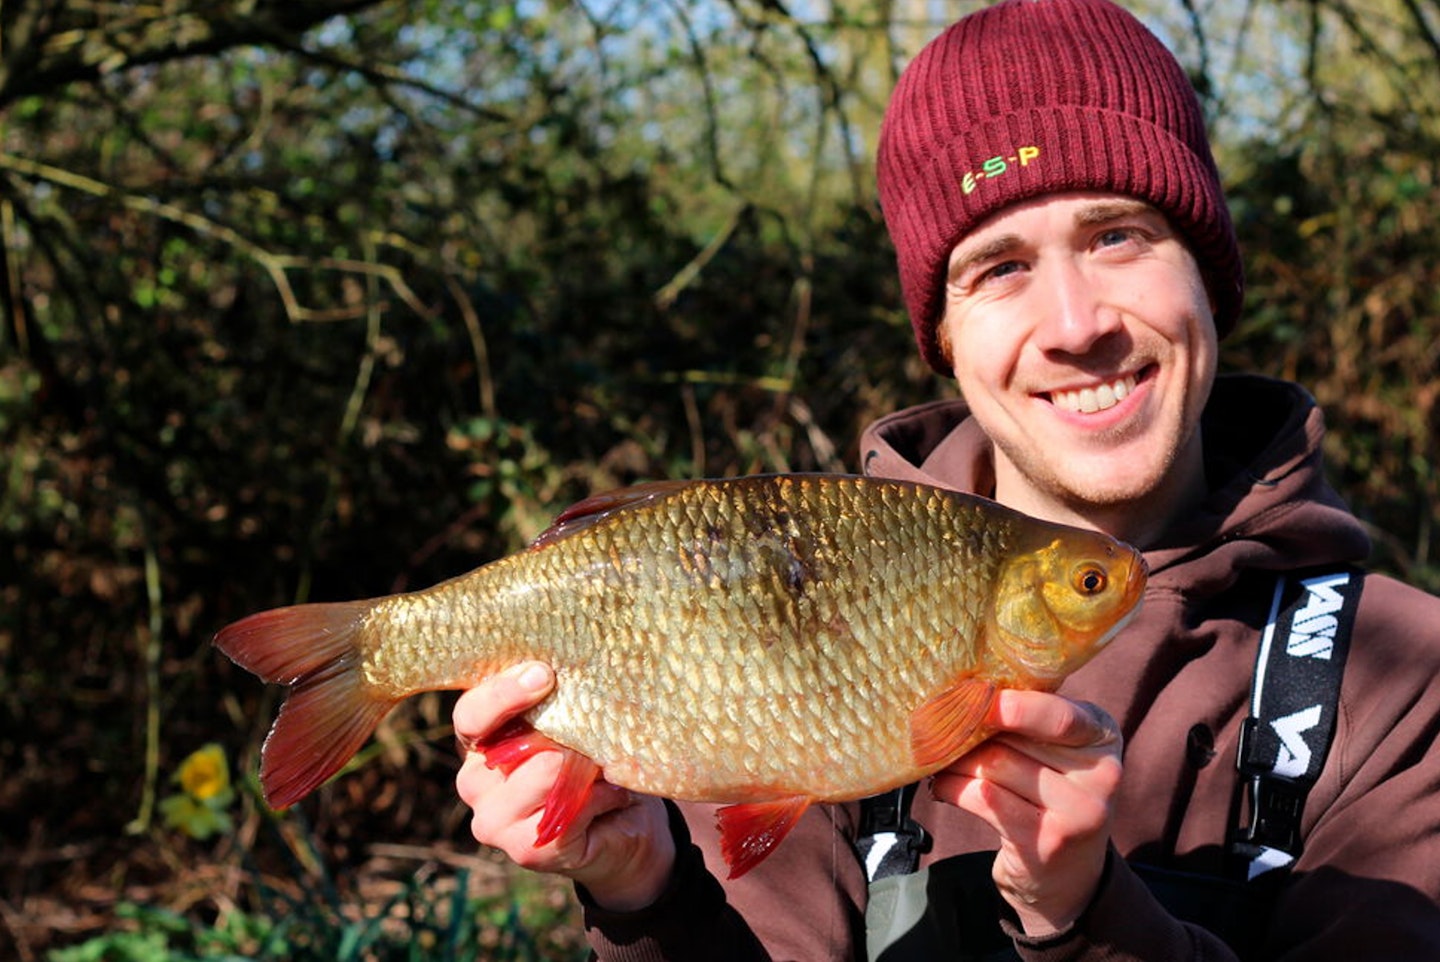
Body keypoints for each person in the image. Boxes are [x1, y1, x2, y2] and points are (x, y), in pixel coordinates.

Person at [453, 0, 1440, 957]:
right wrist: (644, 894)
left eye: (1118, 234)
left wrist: (1086, 915)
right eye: (1001, 266)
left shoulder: (1399, 675)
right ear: (943, 331)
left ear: (1208, 270)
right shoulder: (802, 586)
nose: (1073, 321)